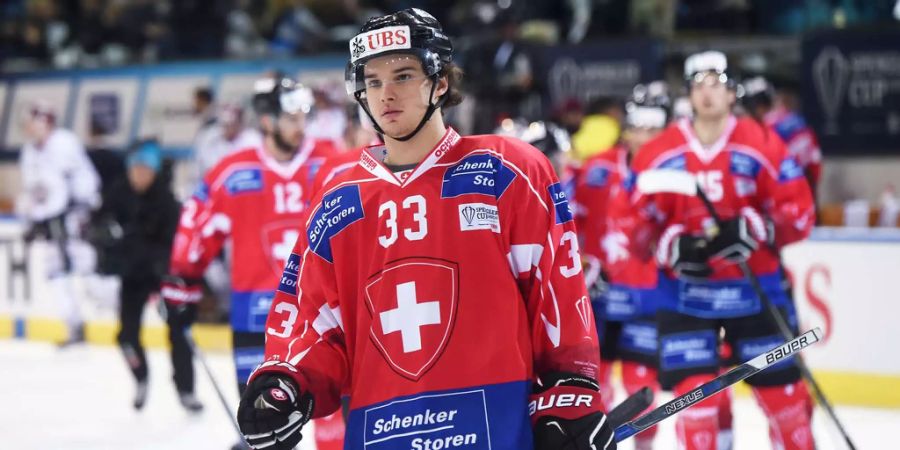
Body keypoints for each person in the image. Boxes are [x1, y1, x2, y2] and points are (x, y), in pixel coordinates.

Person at [236, 8, 616, 450]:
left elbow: (558, 292)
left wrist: (571, 390)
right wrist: (286, 381)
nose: (385, 95)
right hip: (380, 433)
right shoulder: (339, 197)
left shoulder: (509, 171)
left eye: (402, 75)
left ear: (439, 82)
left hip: (494, 430)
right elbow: (312, 317)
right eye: (373, 81)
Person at [627, 51, 816, 450]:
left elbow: (800, 214)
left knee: (786, 404)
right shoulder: (659, 152)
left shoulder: (763, 144)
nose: (707, 93)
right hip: (686, 298)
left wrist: (759, 227)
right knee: (695, 407)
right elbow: (632, 226)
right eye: (698, 84)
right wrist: (669, 245)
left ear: (732, 93)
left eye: (716, 83)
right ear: (689, 95)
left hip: (755, 290)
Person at [161, 75, 336, 446]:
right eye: (291, 118)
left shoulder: (331, 161)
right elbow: (197, 222)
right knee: (263, 423)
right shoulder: (234, 172)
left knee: (335, 421)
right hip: (256, 315)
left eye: (304, 116)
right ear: (268, 121)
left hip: (321, 316)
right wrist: (183, 278)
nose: (299, 126)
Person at [575, 82, 671, 450]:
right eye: (637, 127)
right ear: (626, 127)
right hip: (598, 300)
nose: (643, 137)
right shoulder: (596, 168)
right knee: (594, 385)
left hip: (646, 298)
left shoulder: (671, 173)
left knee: (639, 386)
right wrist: (581, 264)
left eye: (653, 129)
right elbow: (568, 224)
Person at [104, 139, 181, 410]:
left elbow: (177, 240)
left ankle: (185, 388)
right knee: (126, 336)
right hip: (132, 274)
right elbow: (102, 224)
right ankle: (141, 378)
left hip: (162, 276)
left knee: (179, 332)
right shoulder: (117, 193)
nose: (138, 175)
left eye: (144, 170)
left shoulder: (168, 201)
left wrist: (165, 263)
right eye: (134, 169)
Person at [17, 100, 101, 346]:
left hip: (80, 215)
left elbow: (65, 188)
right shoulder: (30, 151)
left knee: (90, 269)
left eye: (33, 121)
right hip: (54, 218)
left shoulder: (63, 142)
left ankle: (116, 315)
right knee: (55, 271)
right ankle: (73, 325)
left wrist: (43, 216)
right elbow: (34, 191)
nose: (29, 127)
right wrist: (33, 219)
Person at [741, 76, 822, 204]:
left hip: (788, 189)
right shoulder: (793, 121)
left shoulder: (773, 125)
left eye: (756, 104)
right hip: (796, 188)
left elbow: (811, 162)